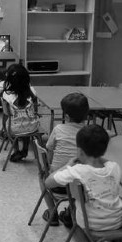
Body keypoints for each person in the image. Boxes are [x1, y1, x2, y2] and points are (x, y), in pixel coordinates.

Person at [45, 124, 122, 242]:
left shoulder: (76, 171)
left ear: (80, 151)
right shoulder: (114, 167)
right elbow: (106, 162)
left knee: (75, 208)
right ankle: (108, 241)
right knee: (118, 201)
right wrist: (98, 157)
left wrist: (67, 165)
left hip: (91, 224)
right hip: (118, 221)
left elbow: (48, 182)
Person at [42, 93, 90, 226]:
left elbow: (49, 149)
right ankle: (71, 211)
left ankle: (52, 214)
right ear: (87, 114)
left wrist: (51, 166)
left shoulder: (58, 129)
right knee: (79, 179)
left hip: (58, 184)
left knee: (41, 177)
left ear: (67, 116)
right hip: (82, 187)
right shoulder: (89, 133)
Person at [0, 64, 40, 162]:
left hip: (13, 129)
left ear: (9, 79)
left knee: (11, 120)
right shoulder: (32, 92)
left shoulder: (6, 95)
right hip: (32, 128)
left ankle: (16, 149)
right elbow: (35, 111)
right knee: (27, 120)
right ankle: (25, 149)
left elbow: (5, 113)